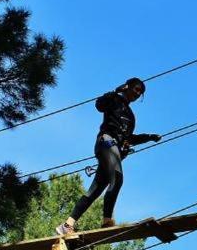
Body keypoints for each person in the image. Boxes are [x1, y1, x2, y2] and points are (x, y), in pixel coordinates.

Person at [55, 77, 161, 235]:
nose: (137, 94)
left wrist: (149, 137)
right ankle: (106, 221)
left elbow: (129, 138)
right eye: (136, 89)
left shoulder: (131, 117)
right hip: (106, 143)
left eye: (140, 93)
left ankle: (67, 224)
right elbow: (99, 105)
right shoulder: (114, 100)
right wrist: (115, 92)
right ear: (127, 87)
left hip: (114, 150)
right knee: (117, 179)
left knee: (95, 191)